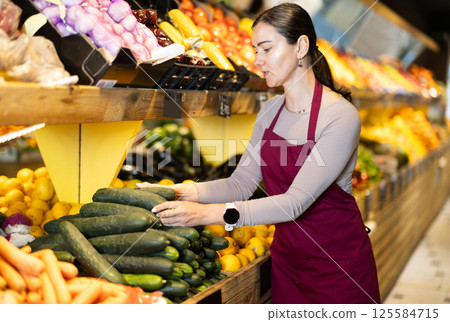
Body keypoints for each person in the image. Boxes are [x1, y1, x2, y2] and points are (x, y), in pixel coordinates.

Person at [138, 2, 381, 304]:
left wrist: (208, 214)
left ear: (301, 46)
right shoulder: (270, 112)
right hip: (287, 264)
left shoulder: (340, 116)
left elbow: (294, 203)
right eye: (255, 51)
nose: (257, 60)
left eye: (266, 49)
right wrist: (174, 193)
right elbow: (239, 185)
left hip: (337, 267)